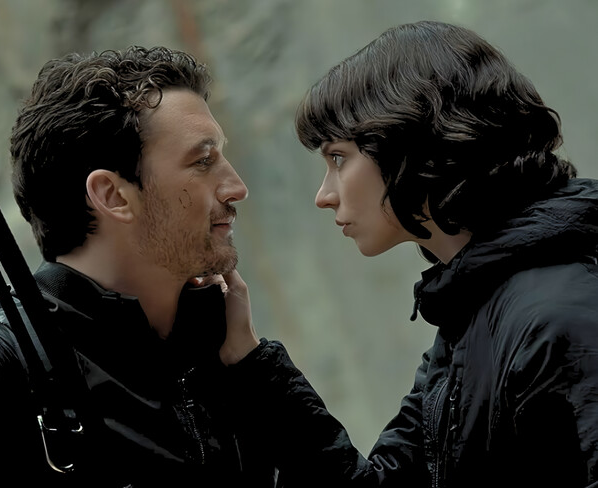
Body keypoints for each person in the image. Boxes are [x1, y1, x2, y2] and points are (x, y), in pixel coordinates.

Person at [220, 20, 598, 487]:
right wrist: (248, 358)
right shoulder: (469, 315)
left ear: (409, 144)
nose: (323, 196)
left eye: (337, 158)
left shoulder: (558, 317)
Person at [0, 48, 278, 487]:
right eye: (203, 161)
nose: (237, 187)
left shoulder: (224, 347)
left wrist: (257, 368)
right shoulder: (3, 354)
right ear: (113, 195)